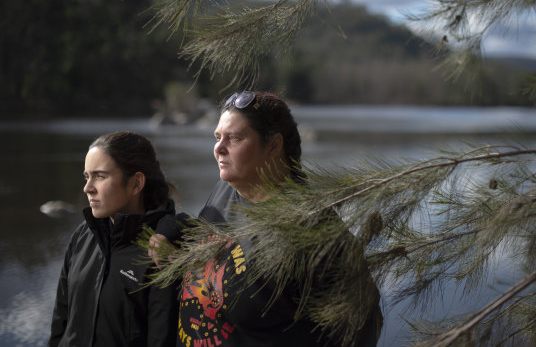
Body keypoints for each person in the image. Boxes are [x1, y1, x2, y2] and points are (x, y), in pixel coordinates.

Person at [152, 91, 382, 346]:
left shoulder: (313, 230)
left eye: (235, 138)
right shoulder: (226, 190)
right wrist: (172, 227)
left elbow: (363, 324)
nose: (219, 148)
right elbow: (217, 244)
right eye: (217, 137)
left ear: (273, 145)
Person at [48, 131, 182, 347]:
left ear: (136, 183)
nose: (87, 188)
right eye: (86, 176)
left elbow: (161, 340)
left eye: (100, 176)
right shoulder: (83, 235)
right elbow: (59, 323)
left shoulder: (160, 251)